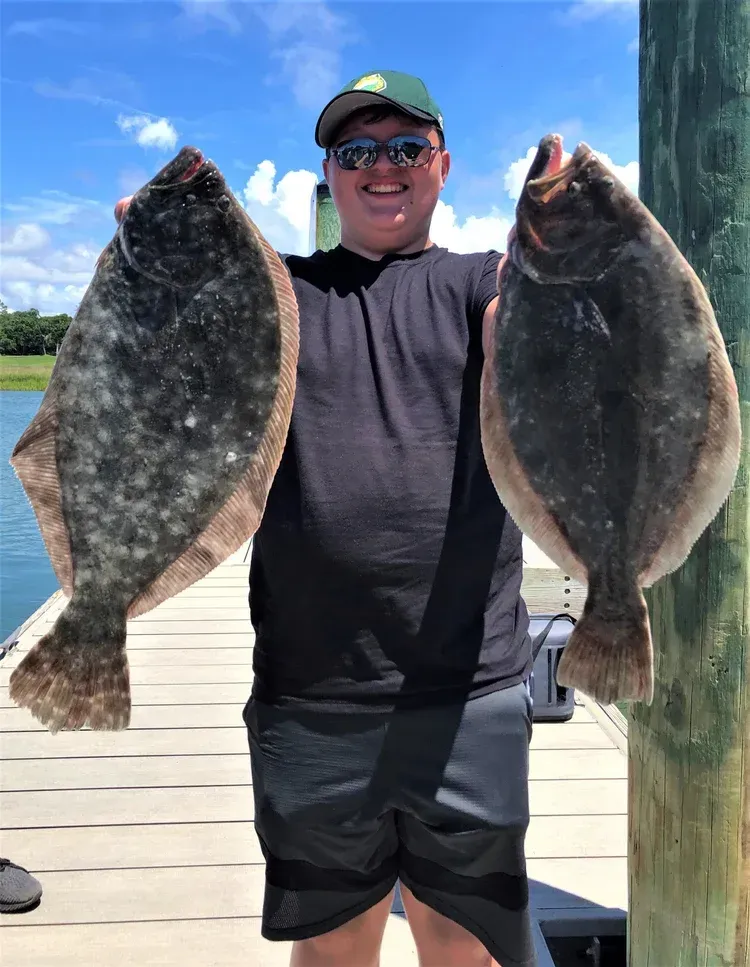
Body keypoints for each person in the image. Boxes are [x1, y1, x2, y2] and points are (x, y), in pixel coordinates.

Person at [115, 70, 536, 967]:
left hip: (469, 686)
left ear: (442, 165)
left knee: (462, 944)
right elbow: (183, 340)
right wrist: (160, 261)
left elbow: (523, 323)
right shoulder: (284, 297)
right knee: (334, 946)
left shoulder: (481, 283)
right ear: (330, 176)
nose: (381, 167)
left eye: (405, 148)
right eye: (356, 151)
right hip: (313, 691)